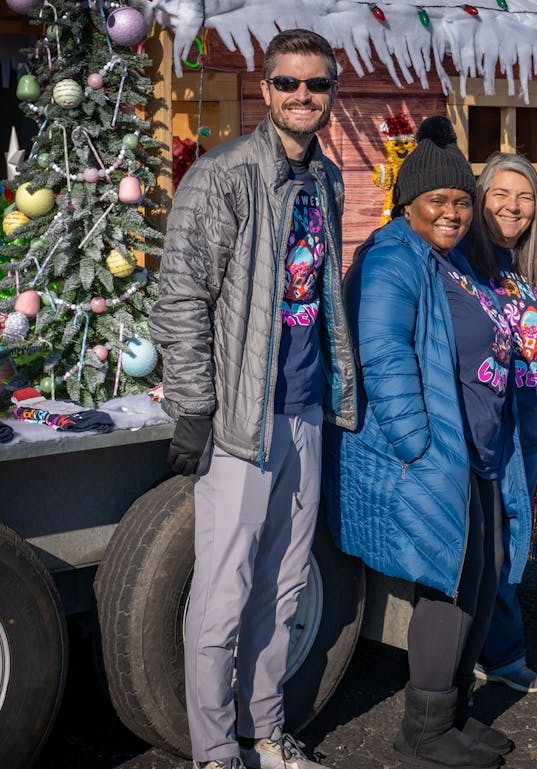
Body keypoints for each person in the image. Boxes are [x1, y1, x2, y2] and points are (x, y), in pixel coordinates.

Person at [150, 29, 351, 769]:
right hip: (240, 420)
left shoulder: (326, 180)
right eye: (289, 83)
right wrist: (196, 408)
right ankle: (213, 752)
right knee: (224, 591)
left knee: (286, 583)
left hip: (302, 411)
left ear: (333, 92)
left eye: (318, 84)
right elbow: (181, 299)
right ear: (265, 90)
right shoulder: (224, 175)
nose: (304, 96)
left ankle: (263, 732)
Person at [324, 116, 532, 769]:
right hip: (429, 452)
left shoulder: (431, 255)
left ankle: (449, 716)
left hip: (457, 448)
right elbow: (382, 355)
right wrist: (418, 444)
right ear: (407, 202)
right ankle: (423, 733)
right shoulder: (391, 257)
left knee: (471, 575)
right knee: (445, 584)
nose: (452, 211)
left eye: (461, 200)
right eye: (438, 200)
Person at [468, 153, 537, 695]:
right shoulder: (465, 264)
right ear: (480, 197)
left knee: (515, 538)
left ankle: (490, 643)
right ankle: (499, 653)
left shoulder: (531, 270)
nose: (514, 207)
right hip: (487, 425)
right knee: (491, 544)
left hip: (530, 424)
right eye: (501, 194)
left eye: (525, 197)